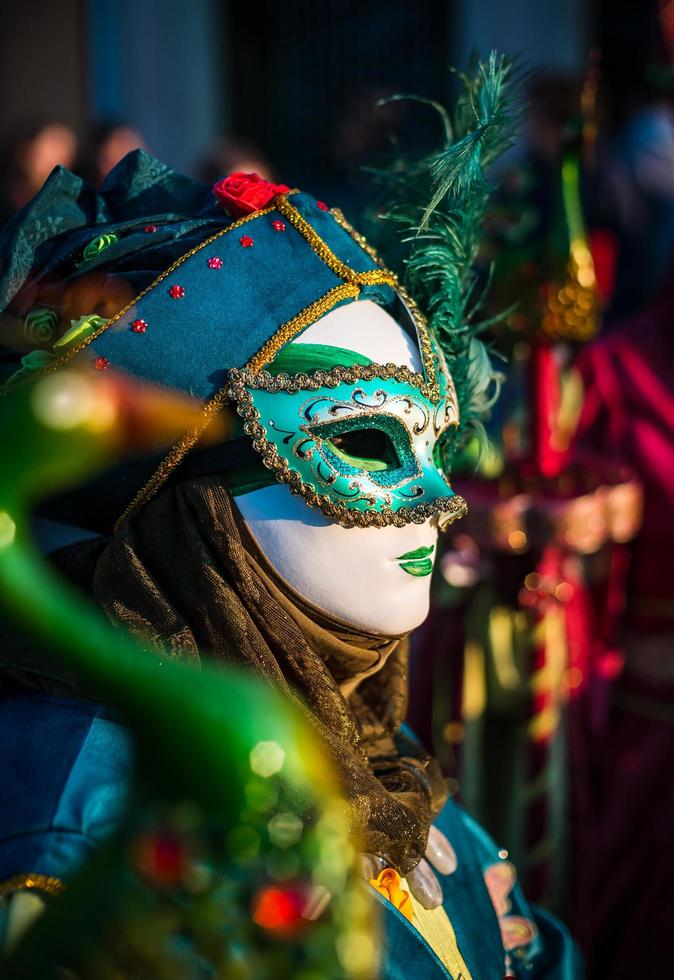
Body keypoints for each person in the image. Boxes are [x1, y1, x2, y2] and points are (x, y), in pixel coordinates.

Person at [0, 60, 581, 978]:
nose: (443, 500)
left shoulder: (346, 718)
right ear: (180, 495)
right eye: (367, 442)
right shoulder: (95, 828)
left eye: (437, 443)